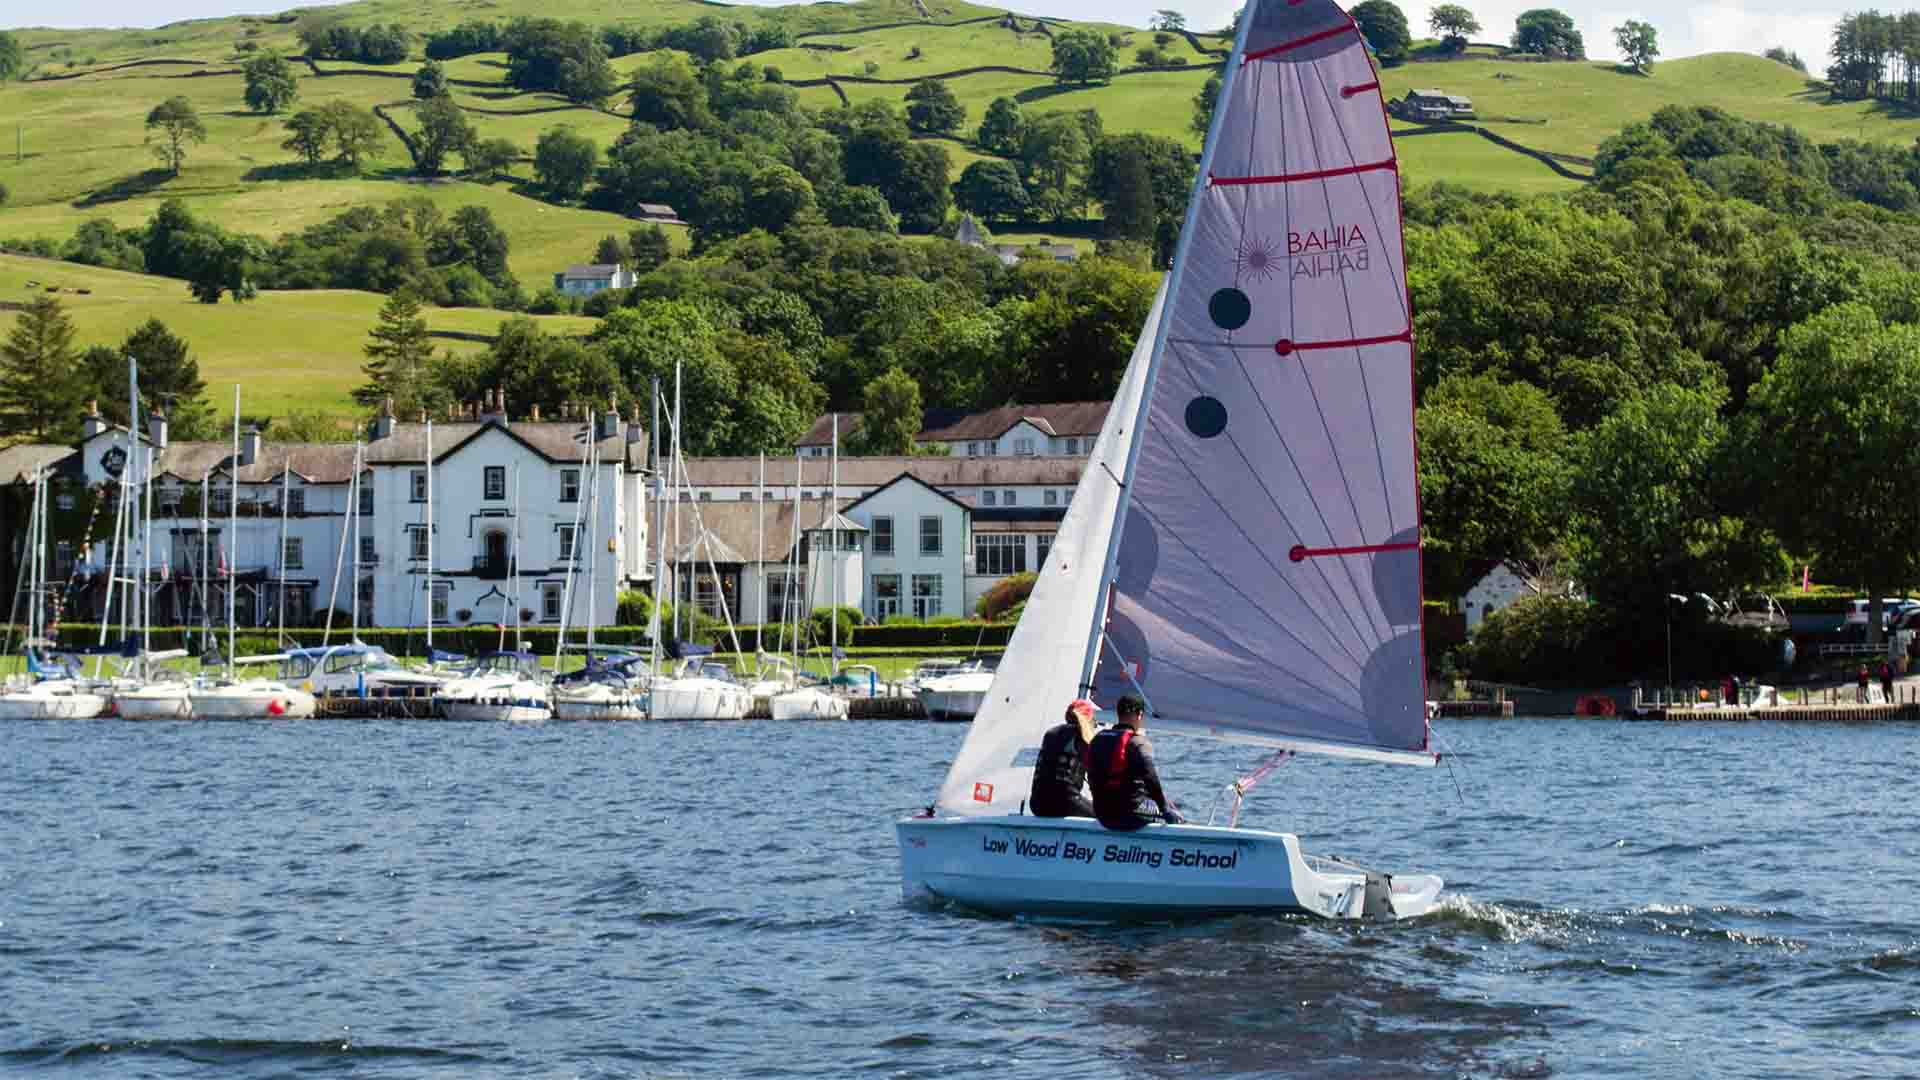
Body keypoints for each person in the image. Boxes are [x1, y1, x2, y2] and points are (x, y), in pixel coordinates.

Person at [1084, 694, 1184, 830]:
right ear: (1139, 715)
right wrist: (1165, 808)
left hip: (1103, 815)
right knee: (1173, 813)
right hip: (1131, 815)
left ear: (1118, 713)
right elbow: (1151, 779)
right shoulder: (1138, 742)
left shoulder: (1097, 739)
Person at [1028, 699, 1097, 818]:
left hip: (1037, 804)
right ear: (1088, 719)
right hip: (1065, 804)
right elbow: (1094, 779)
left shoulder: (1050, 733)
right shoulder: (1083, 737)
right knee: (1102, 815)